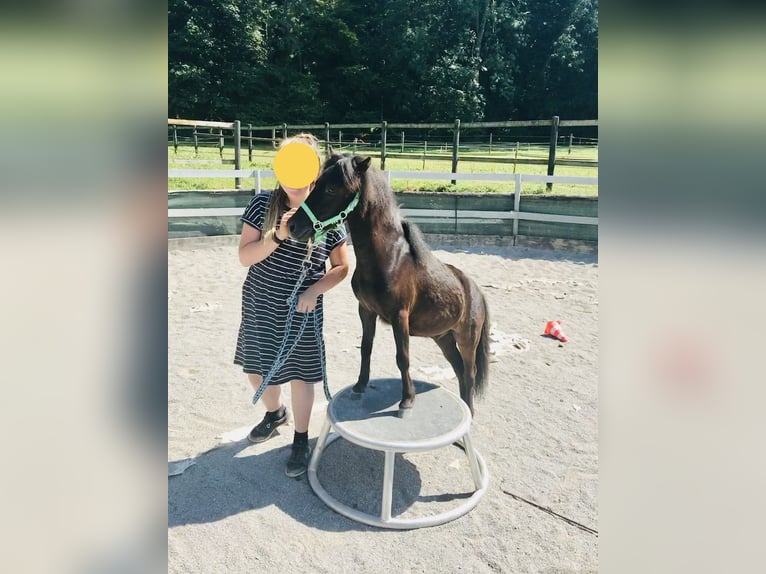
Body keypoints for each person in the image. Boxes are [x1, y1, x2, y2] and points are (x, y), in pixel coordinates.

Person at [234, 134, 349, 478]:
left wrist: (314, 291)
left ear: (314, 171)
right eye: (287, 167)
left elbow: (342, 267)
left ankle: (300, 438)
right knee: (255, 369)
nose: (293, 178)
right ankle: (274, 414)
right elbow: (245, 256)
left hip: (302, 310)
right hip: (260, 300)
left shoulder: (329, 213)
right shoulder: (261, 206)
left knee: (301, 375)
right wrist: (279, 236)